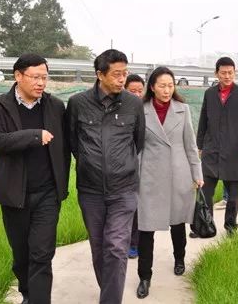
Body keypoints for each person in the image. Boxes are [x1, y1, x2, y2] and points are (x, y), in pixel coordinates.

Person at [0, 54, 71, 304]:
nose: (41, 82)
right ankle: (28, 294)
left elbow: (65, 148)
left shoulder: (55, 107)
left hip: (47, 194)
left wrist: (61, 185)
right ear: (18, 76)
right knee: (22, 256)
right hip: (15, 195)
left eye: (44, 77)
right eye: (35, 77)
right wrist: (34, 136)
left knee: (42, 254)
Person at [66, 49, 145, 304]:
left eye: (125, 73)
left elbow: (138, 141)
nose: (122, 79)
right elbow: (73, 144)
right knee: (99, 249)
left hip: (124, 190)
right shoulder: (78, 103)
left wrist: (120, 165)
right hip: (90, 192)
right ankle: (109, 292)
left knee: (116, 247)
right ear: (100, 74)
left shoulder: (133, 104)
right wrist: (92, 163)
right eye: (116, 74)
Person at [135, 66, 204, 299]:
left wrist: (197, 173)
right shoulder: (140, 110)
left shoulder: (182, 110)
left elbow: (190, 145)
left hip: (179, 174)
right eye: (162, 85)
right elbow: (137, 148)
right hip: (150, 176)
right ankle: (145, 276)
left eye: (170, 85)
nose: (167, 90)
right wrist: (135, 176)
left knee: (178, 223)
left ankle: (179, 259)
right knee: (145, 228)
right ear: (152, 87)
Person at [196, 57, 238, 234]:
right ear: (216, 73)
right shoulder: (210, 93)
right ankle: (206, 225)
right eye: (223, 73)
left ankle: (231, 226)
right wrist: (200, 145)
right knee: (206, 192)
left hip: (235, 151)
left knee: (233, 194)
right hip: (211, 149)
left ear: (235, 73)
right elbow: (203, 121)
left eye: (230, 72)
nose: (227, 76)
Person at [124, 73, 145, 259]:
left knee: (139, 206)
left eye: (140, 90)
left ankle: (135, 243)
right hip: (123, 167)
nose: (137, 94)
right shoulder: (119, 109)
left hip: (144, 165)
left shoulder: (147, 109)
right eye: (132, 91)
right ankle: (128, 242)